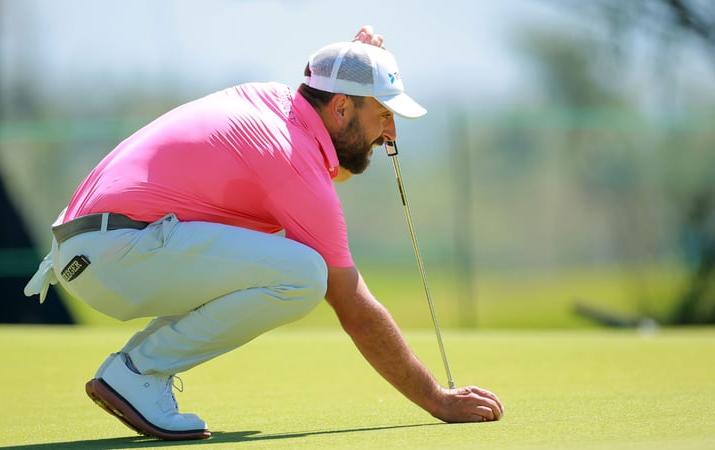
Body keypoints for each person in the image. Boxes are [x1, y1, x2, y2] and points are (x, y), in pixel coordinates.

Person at [25, 26, 504, 441]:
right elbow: (354, 308)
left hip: (93, 251)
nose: (390, 133)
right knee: (304, 275)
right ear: (340, 108)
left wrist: (359, 63)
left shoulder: (280, 109)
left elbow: (323, 154)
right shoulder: (291, 156)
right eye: (383, 114)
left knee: (291, 265)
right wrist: (437, 400)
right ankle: (139, 372)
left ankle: (132, 372)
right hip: (117, 252)